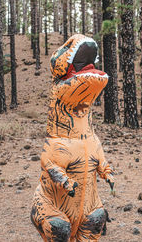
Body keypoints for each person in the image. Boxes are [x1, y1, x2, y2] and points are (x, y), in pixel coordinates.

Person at [30, 34, 114, 242]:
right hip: (54, 207)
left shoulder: (92, 139)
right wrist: (62, 179)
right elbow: (49, 164)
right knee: (59, 229)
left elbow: (99, 160)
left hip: (87, 205)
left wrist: (105, 170)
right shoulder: (56, 141)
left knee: (96, 219)